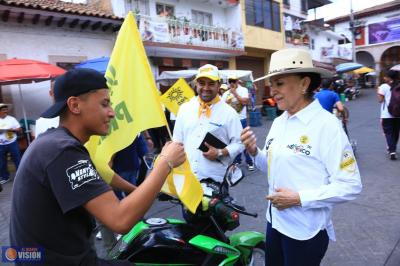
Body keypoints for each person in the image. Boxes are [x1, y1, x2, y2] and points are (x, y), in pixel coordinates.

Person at [10, 68, 185, 266]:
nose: (112, 112)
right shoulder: (63, 150)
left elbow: (102, 174)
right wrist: (164, 163)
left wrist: (137, 190)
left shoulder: (54, 142)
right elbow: (121, 220)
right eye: (105, 104)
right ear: (75, 105)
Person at [240, 48, 362, 266]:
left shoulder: (327, 126)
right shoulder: (279, 121)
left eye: (279, 83)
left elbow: (350, 185)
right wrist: (253, 152)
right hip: (274, 222)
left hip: (305, 232)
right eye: (272, 84)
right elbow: (270, 166)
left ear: (304, 84)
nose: (272, 91)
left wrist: (299, 198)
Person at [173, 64, 243, 184]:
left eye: (211, 83)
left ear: (219, 85)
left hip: (216, 180)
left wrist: (220, 152)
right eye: (201, 83)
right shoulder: (185, 108)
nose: (206, 88)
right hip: (187, 179)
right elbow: (177, 141)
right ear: (196, 85)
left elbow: (240, 143)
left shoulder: (229, 112)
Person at [222, 75, 254, 171]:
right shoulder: (226, 93)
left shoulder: (243, 90)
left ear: (237, 82)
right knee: (234, 141)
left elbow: (245, 102)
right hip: (230, 121)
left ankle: (249, 161)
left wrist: (235, 93)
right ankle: (237, 160)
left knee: (245, 141)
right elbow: (222, 106)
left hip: (241, 119)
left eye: (234, 81)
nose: (232, 83)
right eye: (230, 81)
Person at [377, 70, 400, 160]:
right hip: (398, 113)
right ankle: (392, 148)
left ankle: (392, 150)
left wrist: (378, 92)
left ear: (389, 77)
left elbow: (380, 100)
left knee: (388, 133)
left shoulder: (383, 86)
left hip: (386, 114)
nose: (384, 78)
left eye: (385, 76)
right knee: (395, 133)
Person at [0, 103, 22, 184]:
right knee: (1, 162)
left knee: (17, 159)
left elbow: (19, 129)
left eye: (6, 109)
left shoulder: (11, 119)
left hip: (12, 142)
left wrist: (11, 130)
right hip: (1, 145)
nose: (5, 111)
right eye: (3, 110)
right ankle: (5, 177)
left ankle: (20, 176)